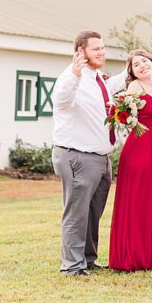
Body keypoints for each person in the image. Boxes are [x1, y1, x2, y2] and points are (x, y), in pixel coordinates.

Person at [50, 31, 124, 277]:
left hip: (100, 158)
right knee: (77, 212)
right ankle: (72, 266)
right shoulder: (71, 79)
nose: (102, 52)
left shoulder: (96, 78)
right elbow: (61, 100)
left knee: (93, 213)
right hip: (78, 156)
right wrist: (74, 74)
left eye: (103, 48)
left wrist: (136, 66)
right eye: (96, 49)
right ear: (81, 52)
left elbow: (109, 90)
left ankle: (88, 260)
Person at [108, 50, 152, 271]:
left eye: (144, 61)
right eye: (135, 64)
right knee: (136, 200)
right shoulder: (134, 87)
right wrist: (132, 121)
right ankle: (130, 256)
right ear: (131, 71)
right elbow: (124, 115)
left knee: (149, 200)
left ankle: (146, 255)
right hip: (138, 149)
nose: (142, 65)